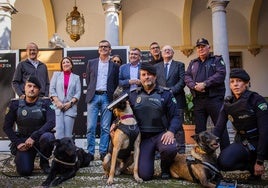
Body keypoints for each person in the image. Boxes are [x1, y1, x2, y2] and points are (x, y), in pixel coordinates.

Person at [128, 62, 182, 181]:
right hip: (143, 138)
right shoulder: (132, 95)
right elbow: (123, 113)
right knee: (145, 176)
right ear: (140, 77)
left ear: (155, 77)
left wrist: (171, 132)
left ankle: (165, 168)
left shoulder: (166, 94)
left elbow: (176, 116)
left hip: (161, 135)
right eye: (143, 74)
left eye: (150, 74)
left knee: (170, 148)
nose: (147, 77)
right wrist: (115, 124)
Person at [213, 68, 268, 179]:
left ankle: (257, 163)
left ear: (246, 83)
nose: (235, 85)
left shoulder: (257, 100)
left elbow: (265, 131)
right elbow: (218, 128)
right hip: (244, 141)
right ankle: (251, 166)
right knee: (223, 162)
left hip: (262, 140)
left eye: (239, 81)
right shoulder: (228, 104)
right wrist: (209, 143)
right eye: (232, 82)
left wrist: (260, 161)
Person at [3, 76, 55, 176]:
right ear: (24, 88)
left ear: (39, 90)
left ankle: (44, 163)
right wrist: (18, 143)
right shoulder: (15, 104)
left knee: (48, 137)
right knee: (24, 171)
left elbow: (51, 122)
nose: (32, 89)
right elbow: (7, 127)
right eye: (29, 86)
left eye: (35, 87)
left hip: (40, 140)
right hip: (24, 143)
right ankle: (21, 158)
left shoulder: (46, 102)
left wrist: (33, 137)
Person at [184, 38, 229, 149]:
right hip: (198, 100)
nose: (201, 49)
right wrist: (194, 86)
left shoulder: (216, 60)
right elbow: (186, 76)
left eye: (203, 46)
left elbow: (220, 74)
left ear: (209, 47)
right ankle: (201, 154)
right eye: (198, 47)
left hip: (214, 99)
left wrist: (205, 84)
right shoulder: (193, 63)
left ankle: (226, 154)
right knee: (199, 130)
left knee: (220, 127)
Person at [85, 40, 119, 161]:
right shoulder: (91, 63)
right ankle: (90, 152)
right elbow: (88, 81)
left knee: (105, 127)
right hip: (93, 96)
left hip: (107, 97)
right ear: (98, 49)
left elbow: (115, 83)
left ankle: (103, 152)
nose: (103, 48)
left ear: (110, 50)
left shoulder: (114, 66)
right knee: (91, 127)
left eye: (106, 47)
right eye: (101, 46)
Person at [155, 45, 186, 154]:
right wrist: (162, 92)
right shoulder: (156, 67)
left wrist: (171, 91)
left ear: (173, 53)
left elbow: (182, 81)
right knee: (161, 124)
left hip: (177, 99)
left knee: (178, 124)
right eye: (165, 50)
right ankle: (161, 149)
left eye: (169, 50)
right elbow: (155, 82)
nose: (167, 51)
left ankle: (181, 149)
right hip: (161, 99)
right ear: (161, 53)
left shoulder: (179, 65)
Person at [49, 57, 81, 139]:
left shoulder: (76, 77)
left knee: (68, 135)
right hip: (57, 107)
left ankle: (67, 151)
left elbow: (78, 93)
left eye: (68, 62)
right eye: (63, 62)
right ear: (61, 65)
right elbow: (52, 89)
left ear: (71, 65)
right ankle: (58, 152)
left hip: (70, 108)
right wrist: (57, 102)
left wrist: (70, 103)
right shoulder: (56, 75)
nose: (65, 64)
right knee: (58, 134)